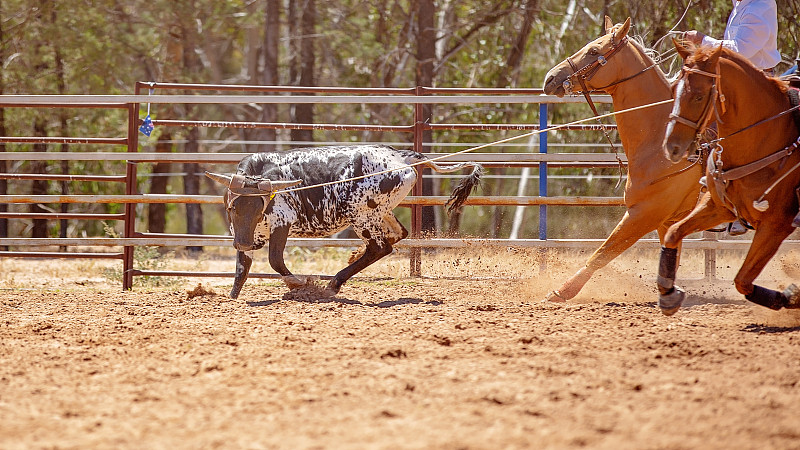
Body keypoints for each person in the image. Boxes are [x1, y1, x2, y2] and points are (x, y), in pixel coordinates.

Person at [685, 0, 780, 235]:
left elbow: (741, 49)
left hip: (758, 86)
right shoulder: (743, 5)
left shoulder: (761, 4)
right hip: (741, 85)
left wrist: (704, 40)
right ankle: (723, 202)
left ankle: (733, 205)